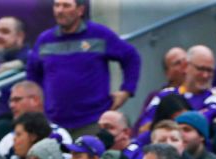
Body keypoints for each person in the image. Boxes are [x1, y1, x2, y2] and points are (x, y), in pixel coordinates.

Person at [27, 0, 142, 135]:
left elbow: (131, 57)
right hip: (55, 124)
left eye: (66, 5)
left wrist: (126, 91)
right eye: (56, 5)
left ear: (80, 10)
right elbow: (32, 74)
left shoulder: (99, 34)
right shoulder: (44, 40)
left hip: (92, 121)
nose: (59, 10)